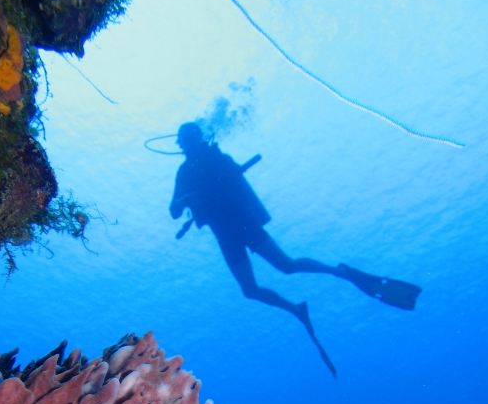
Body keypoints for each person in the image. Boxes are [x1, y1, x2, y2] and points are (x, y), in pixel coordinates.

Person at [169, 121, 422, 376]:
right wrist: (184, 199)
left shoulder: (215, 157)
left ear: (191, 140)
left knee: (286, 266)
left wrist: (190, 198)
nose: (186, 146)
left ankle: (337, 272)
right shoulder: (185, 172)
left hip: (243, 224)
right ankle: (297, 308)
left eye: (187, 140)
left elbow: (226, 185)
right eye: (185, 142)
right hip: (226, 233)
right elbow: (173, 211)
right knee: (251, 289)